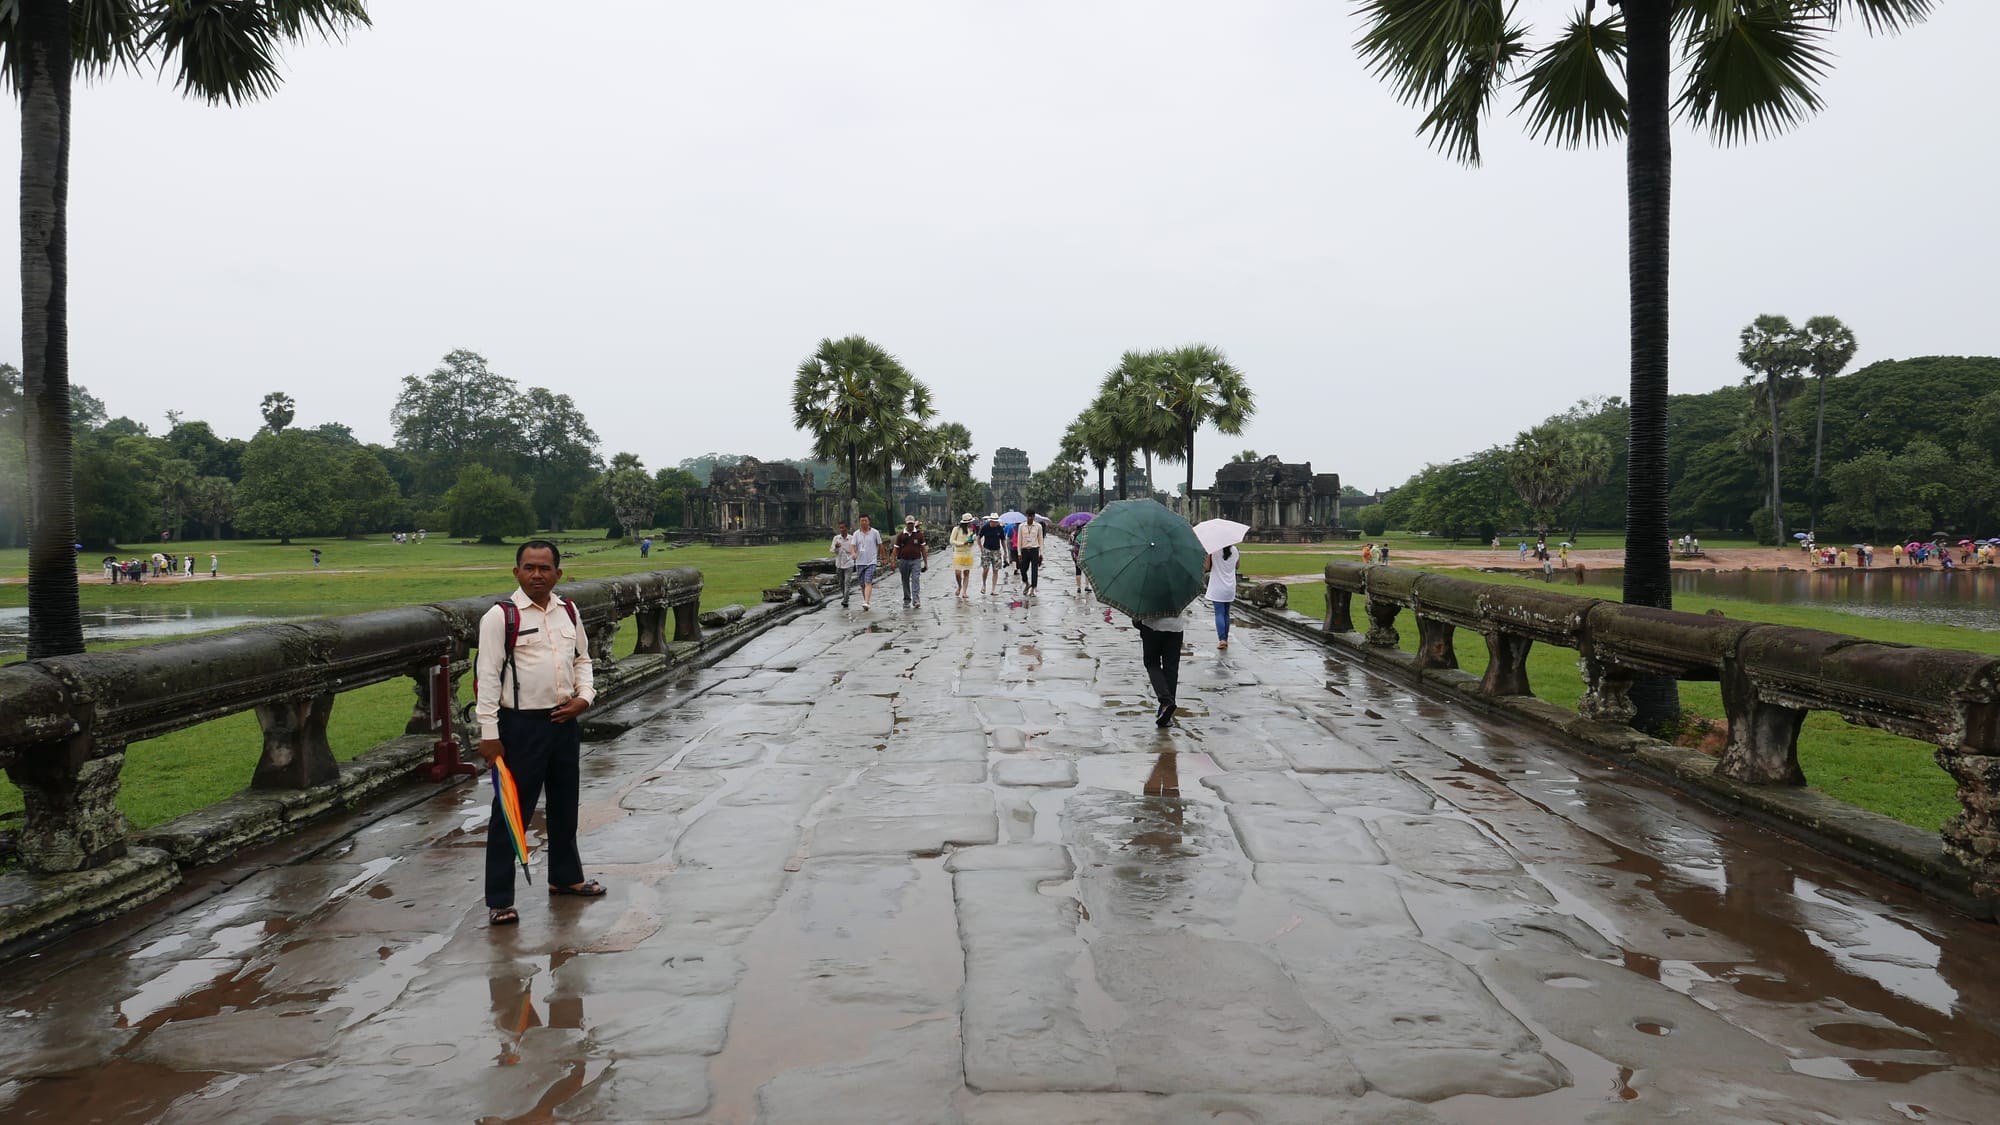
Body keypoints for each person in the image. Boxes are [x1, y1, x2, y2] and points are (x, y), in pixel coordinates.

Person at [476, 540, 603, 926]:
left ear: (557, 574)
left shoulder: (568, 610)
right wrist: (489, 732)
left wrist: (586, 697)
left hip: (564, 720)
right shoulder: (501, 617)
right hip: (520, 727)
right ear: (516, 572)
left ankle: (565, 877)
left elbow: (582, 658)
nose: (537, 575)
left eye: (544, 568)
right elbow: (487, 676)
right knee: (511, 811)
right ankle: (500, 898)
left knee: (565, 806)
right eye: (529, 568)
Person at [1134, 610, 1185, 728]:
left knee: (1152, 664)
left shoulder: (1147, 590)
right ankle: (1166, 710)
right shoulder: (1177, 591)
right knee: (1171, 669)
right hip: (1175, 627)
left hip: (1152, 627)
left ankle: (1166, 701)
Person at [1205, 544, 1238, 650]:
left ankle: (1222, 639)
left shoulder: (1214, 550)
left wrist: (1208, 555)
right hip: (1230, 586)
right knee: (1226, 613)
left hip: (1218, 586)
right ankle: (1225, 638)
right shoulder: (1235, 550)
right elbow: (1237, 566)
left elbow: (1207, 567)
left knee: (1219, 613)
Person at [852, 515, 883, 610]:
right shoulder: (856, 534)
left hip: (871, 561)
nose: (864, 522)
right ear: (859, 522)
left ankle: (866, 601)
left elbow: (880, 545)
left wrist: (884, 557)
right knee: (862, 584)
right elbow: (852, 545)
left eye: (865, 520)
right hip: (860, 561)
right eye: (862, 521)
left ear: (869, 521)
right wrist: (853, 553)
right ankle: (866, 598)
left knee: (868, 581)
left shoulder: (875, 533)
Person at [894, 516, 927, 605]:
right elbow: (896, 548)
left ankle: (916, 599)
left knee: (915, 579)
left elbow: (923, 548)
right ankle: (907, 598)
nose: (910, 525)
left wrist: (925, 563)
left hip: (916, 560)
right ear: (906, 524)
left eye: (912, 523)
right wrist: (893, 561)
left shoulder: (919, 535)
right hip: (904, 560)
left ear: (914, 524)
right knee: (905, 580)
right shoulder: (901, 535)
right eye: (909, 524)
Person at [829, 521, 857, 607]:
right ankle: (845, 596)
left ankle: (845, 600)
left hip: (849, 563)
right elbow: (832, 550)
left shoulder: (852, 538)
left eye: (842, 527)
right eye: (840, 528)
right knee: (841, 582)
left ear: (847, 528)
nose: (841, 529)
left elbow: (855, 550)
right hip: (839, 563)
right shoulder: (836, 538)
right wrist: (836, 547)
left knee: (847, 582)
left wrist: (853, 557)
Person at [950, 514, 977, 599]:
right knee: (958, 573)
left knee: (966, 573)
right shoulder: (956, 529)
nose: (970, 523)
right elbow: (951, 541)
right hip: (958, 553)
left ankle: (964, 592)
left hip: (967, 553)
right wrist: (962, 543)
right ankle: (959, 586)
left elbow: (971, 544)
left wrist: (971, 541)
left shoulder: (971, 530)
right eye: (969, 522)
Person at [978, 514, 1007, 595]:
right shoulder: (985, 527)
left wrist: (1005, 551)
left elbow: (1003, 540)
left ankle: (993, 589)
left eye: (996, 521)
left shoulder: (999, 528)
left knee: (996, 570)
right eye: (994, 521)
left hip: (996, 551)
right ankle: (984, 585)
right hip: (986, 550)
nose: (996, 523)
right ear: (991, 521)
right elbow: (978, 538)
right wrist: (981, 548)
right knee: (985, 569)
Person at [1018, 510, 1044, 594]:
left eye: (1032, 516)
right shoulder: (1021, 526)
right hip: (1025, 549)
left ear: (1034, 516)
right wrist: (1019, 552)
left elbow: (1041, 540)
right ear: (1026, 516)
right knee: (1022, 568)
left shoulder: (1038, 526)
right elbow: (1019, 540)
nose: (1030, 518)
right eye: (1029, 516)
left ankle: (1033, 587)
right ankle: (1027, 583)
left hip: (1034, 549)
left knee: (1034, 570)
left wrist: (1041, 553)